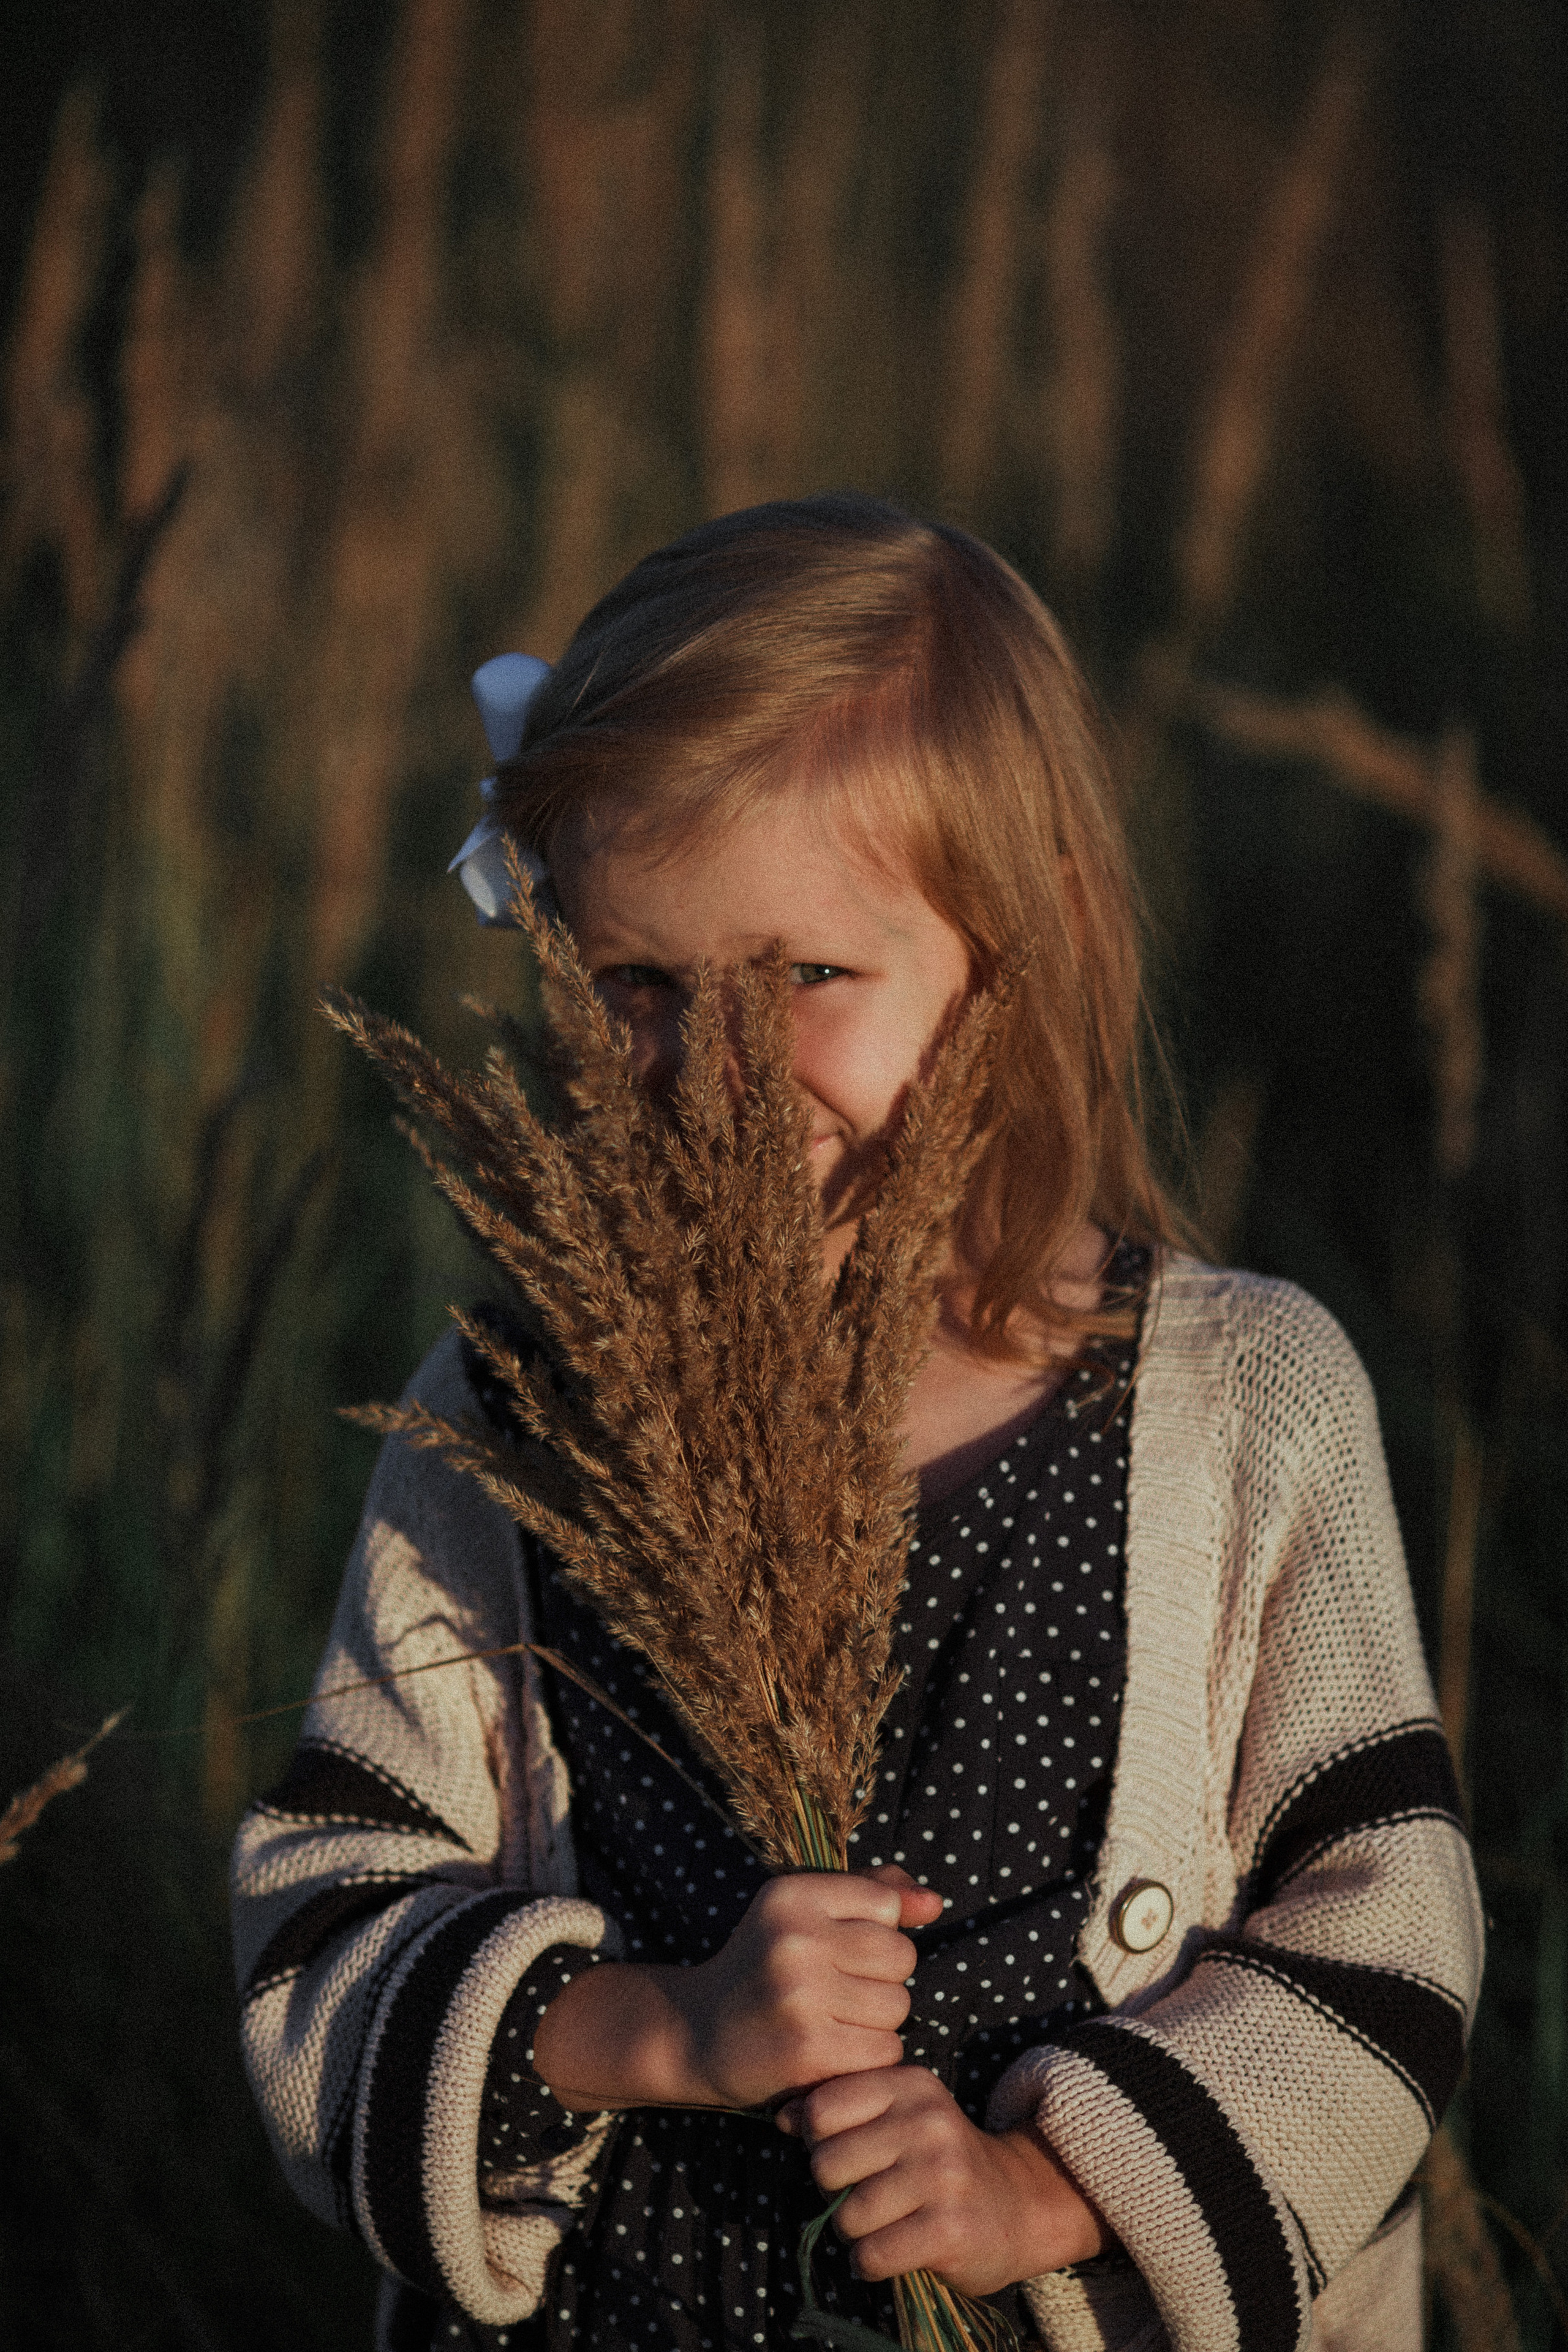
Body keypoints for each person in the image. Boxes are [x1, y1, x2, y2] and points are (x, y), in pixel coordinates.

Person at [232, 495, 1483, 2352]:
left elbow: (1386, 1952)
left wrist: (1040, 2193)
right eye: (640, 986)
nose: (718, 1073)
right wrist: (664, 2032)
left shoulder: (1245, 1408)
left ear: (1016, 947)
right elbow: (319, 1939)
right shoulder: (515, 1422)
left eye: (809, 977)